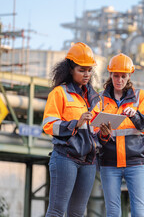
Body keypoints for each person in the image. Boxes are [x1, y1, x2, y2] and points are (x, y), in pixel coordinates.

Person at [42, 42, 111, 217]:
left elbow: (94, 132)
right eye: (82, 70)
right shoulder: (59, 93)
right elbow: (49, 125)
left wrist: (104, 134)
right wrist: (75, 123)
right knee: (57, 211)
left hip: (88, 161)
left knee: (78, 213)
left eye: (89, 70)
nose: (87, 74)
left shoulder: (96, 98)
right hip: (66, 158)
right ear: (70, 69)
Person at [98, 53, 144, 217]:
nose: (119, 80)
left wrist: (135, 115)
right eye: (116, 75)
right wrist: (103, 134)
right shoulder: (100, 99)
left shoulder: (139, 97)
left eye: (123, 76)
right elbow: (94, 131)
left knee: (139, 212)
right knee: (113, 212)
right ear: (110, 75)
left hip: (135, 163)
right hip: (109, 162)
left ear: (129, 76)